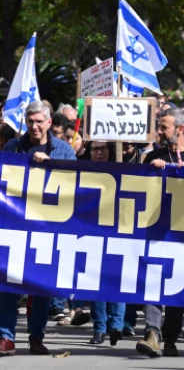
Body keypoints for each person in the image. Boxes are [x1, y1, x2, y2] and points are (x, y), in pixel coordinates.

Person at [0, 101, 76, 356]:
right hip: (15, 226)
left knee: (41, 287)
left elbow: (78, 183)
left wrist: (51, 164)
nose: (34, 126)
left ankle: (36, 337)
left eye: (38, 121)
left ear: (49, 123)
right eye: (30, 121)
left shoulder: (63, 150)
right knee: (7, 284)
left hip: (47, 229)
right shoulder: (14, 146)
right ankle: (6, 337)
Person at [137, 108, 184, 358]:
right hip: (157, 233)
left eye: (163, 126)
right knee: (154, 282)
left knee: (177, 289)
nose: (158, 131)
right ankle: (152, 334)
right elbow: (138, 192)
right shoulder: (154, 157)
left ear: (179, 129)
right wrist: (152, 172)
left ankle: (170, 337)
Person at [81, 140, 125, 345]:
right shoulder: (83, 173)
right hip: (93, 232)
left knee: (117, 280)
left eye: (103, 149)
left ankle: (116, 325)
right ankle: (99, 328)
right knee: (96, 282)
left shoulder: (124, 171)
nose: (99, 153)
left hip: (119, 232)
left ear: (111, 151)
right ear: (89, 153)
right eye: (95, 149)